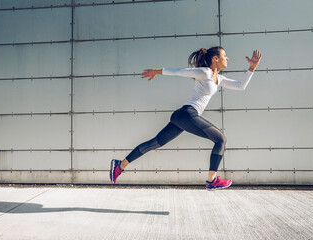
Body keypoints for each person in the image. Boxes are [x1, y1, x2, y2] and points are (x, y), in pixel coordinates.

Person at [110, 47, 262, 190]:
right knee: (221, 140)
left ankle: (120, 165)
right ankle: (212, 180)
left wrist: (252, 67)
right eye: (224, 56)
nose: (227, 58)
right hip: (187, 114)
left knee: (155, 142)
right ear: (215, 59)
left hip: (182, 117)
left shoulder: (219, 78)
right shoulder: (204, 72)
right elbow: (179, 71)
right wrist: (157, 71)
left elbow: (240, 86)